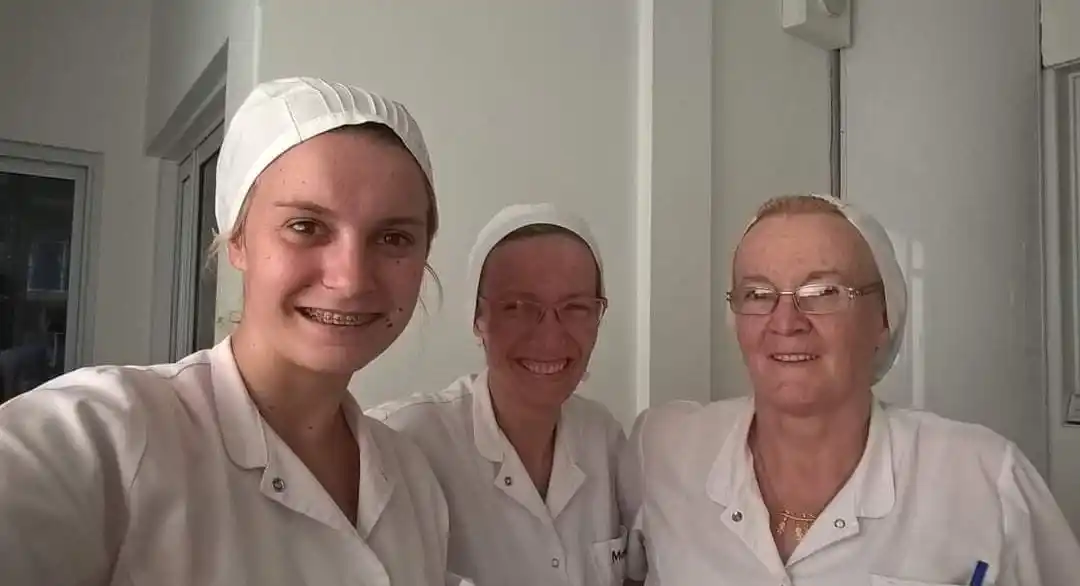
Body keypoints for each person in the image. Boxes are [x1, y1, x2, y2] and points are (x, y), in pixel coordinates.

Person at [0, 77, 460, 585]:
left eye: (393, 237)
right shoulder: (110, 433)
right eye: (306, 226)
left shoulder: (412, 479)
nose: (350, 279)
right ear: (236, 240)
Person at [619, 193, 1080, 585]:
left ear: (884, 318)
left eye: (823, 292)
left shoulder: (984, 480)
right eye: (758, 294)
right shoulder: (665, 451)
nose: (786, 323)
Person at [367, 203, 629, 586]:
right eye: (519, 307)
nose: (550, 336)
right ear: (478, 318)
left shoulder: (604, 438)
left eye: (575, 307)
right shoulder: (403, 441)